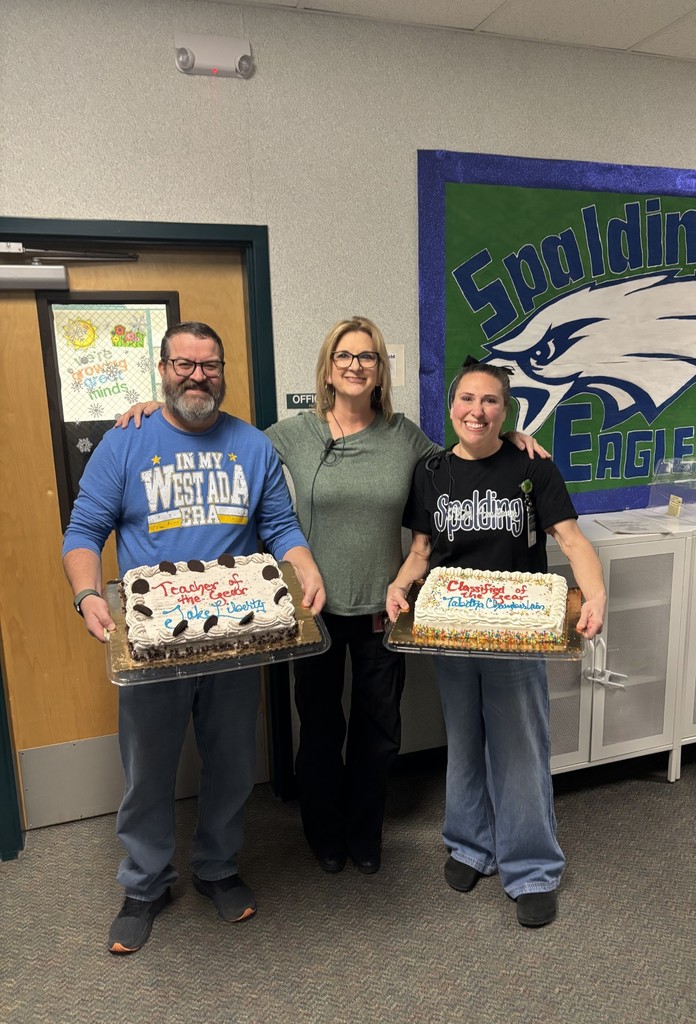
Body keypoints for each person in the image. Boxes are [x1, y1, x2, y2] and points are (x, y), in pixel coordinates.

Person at [116, 317, 547, 876]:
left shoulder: (404, 436)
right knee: (319, 731)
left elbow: (466, 454)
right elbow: (218, 436)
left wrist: (510, 440)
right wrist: (154, 411)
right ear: (327, 366)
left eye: (367, 357)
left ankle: (365, 831)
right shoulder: (292, 435)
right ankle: (323, 832)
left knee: (379, 731)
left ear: (379, 371)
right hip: (313, 612)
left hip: (381, 610)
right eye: (344, 355)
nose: (355, 365)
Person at [63, 321, 324, 955]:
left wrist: (305, 562)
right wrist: (88, 594)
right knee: (148, 771)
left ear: (223, 369)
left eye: (208, 365)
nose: (197, 376)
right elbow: (83, 531)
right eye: (184, 364)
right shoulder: (125, 441)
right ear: (163, 368)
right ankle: (145, 884)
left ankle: (217, 867)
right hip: (152, 643)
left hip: (236, 637)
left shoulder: (252, 445)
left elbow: (279, 524)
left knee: (233, 762)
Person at [386, 361, 606, 928]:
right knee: (464, 740)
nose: (476, 410)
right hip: (453, 631)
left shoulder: (530, 465)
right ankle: (469, 844)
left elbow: (571, 538)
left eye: (489, 401)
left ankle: (532, 867)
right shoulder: (430, 471)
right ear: (451, 405)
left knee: (518, 747)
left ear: (505, 411)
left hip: (518, 635)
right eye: (466, 398)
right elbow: (421, 550)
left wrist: (597, 594)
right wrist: (400, 583)